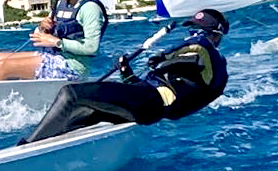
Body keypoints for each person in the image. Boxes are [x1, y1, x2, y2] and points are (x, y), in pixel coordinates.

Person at [24, 8, 230, 143]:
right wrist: (126, 71)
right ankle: (39, 147)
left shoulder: (213, 60)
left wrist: (164, 56)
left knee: (71, 94)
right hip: (145, 99)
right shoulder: (192, 54)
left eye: (200, 31)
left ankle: (24, 148)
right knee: (83, 112)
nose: (194, 34)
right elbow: (141, 86)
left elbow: (200, 50)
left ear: (216, 35)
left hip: (154, 105)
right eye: (192, 30)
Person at [0, 0, 109, 82]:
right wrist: (42, 27)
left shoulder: (90, 8)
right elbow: (40, 37)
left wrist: (57, 42)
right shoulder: (60, 4)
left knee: (3, 66)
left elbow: (92, 48)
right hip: (53, 57)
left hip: (72, 68)